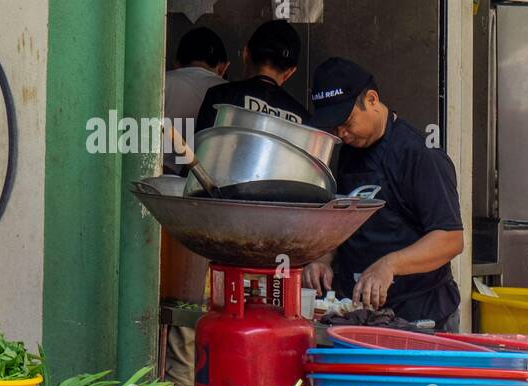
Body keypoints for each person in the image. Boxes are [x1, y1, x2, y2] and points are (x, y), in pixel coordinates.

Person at [302, 58, 464, 330]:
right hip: (361, 315)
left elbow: (450, 239)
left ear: (372, 99)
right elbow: (342, 219)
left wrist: (389, 265)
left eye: (346, 121)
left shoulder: (418, 155)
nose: (341, 133)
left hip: (420, 317)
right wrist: (322, 259)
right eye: (333, 127)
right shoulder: (347, 153)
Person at [160, 26, 229, 386]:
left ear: (175, 60)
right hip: (204, 212)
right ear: (223, 65)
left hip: (161, 207)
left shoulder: (161, 83)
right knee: (192, 317)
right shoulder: (223, 92)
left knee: (171, 316)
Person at [195, 20, 309, 130]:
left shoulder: (219, 96)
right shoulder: (304, 120)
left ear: (246, 54)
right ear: (290, 72)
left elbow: (200, 147)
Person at [163, 27, 229, 174]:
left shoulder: (162, 82)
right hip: (207, 184)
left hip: (160, 179)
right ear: (223, 67)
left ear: (176, 63)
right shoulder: (229, 92)